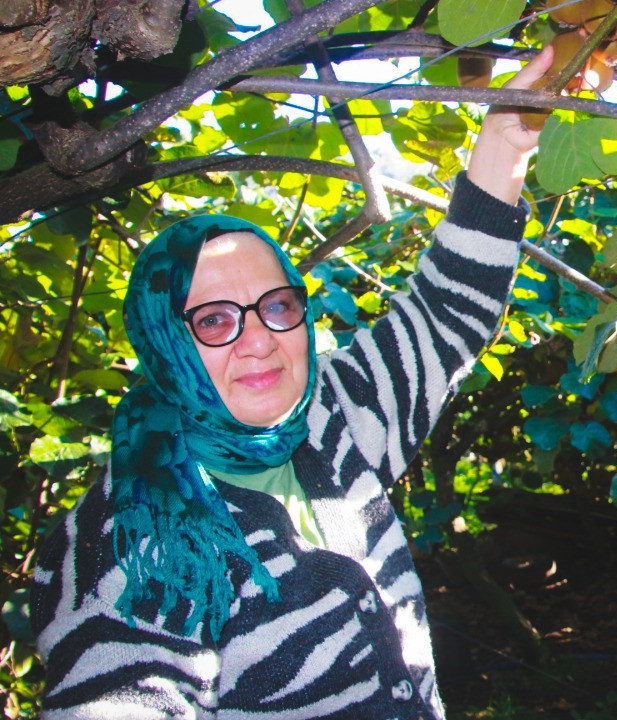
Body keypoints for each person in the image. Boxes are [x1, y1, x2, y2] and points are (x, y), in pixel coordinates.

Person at [29, 48, 556, 719]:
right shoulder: (133, 536)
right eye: (215, 319)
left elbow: (446, 317)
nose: (259, 340)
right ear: (166, 342)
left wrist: (504, 141)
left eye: (277, 306)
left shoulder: (329, 419)